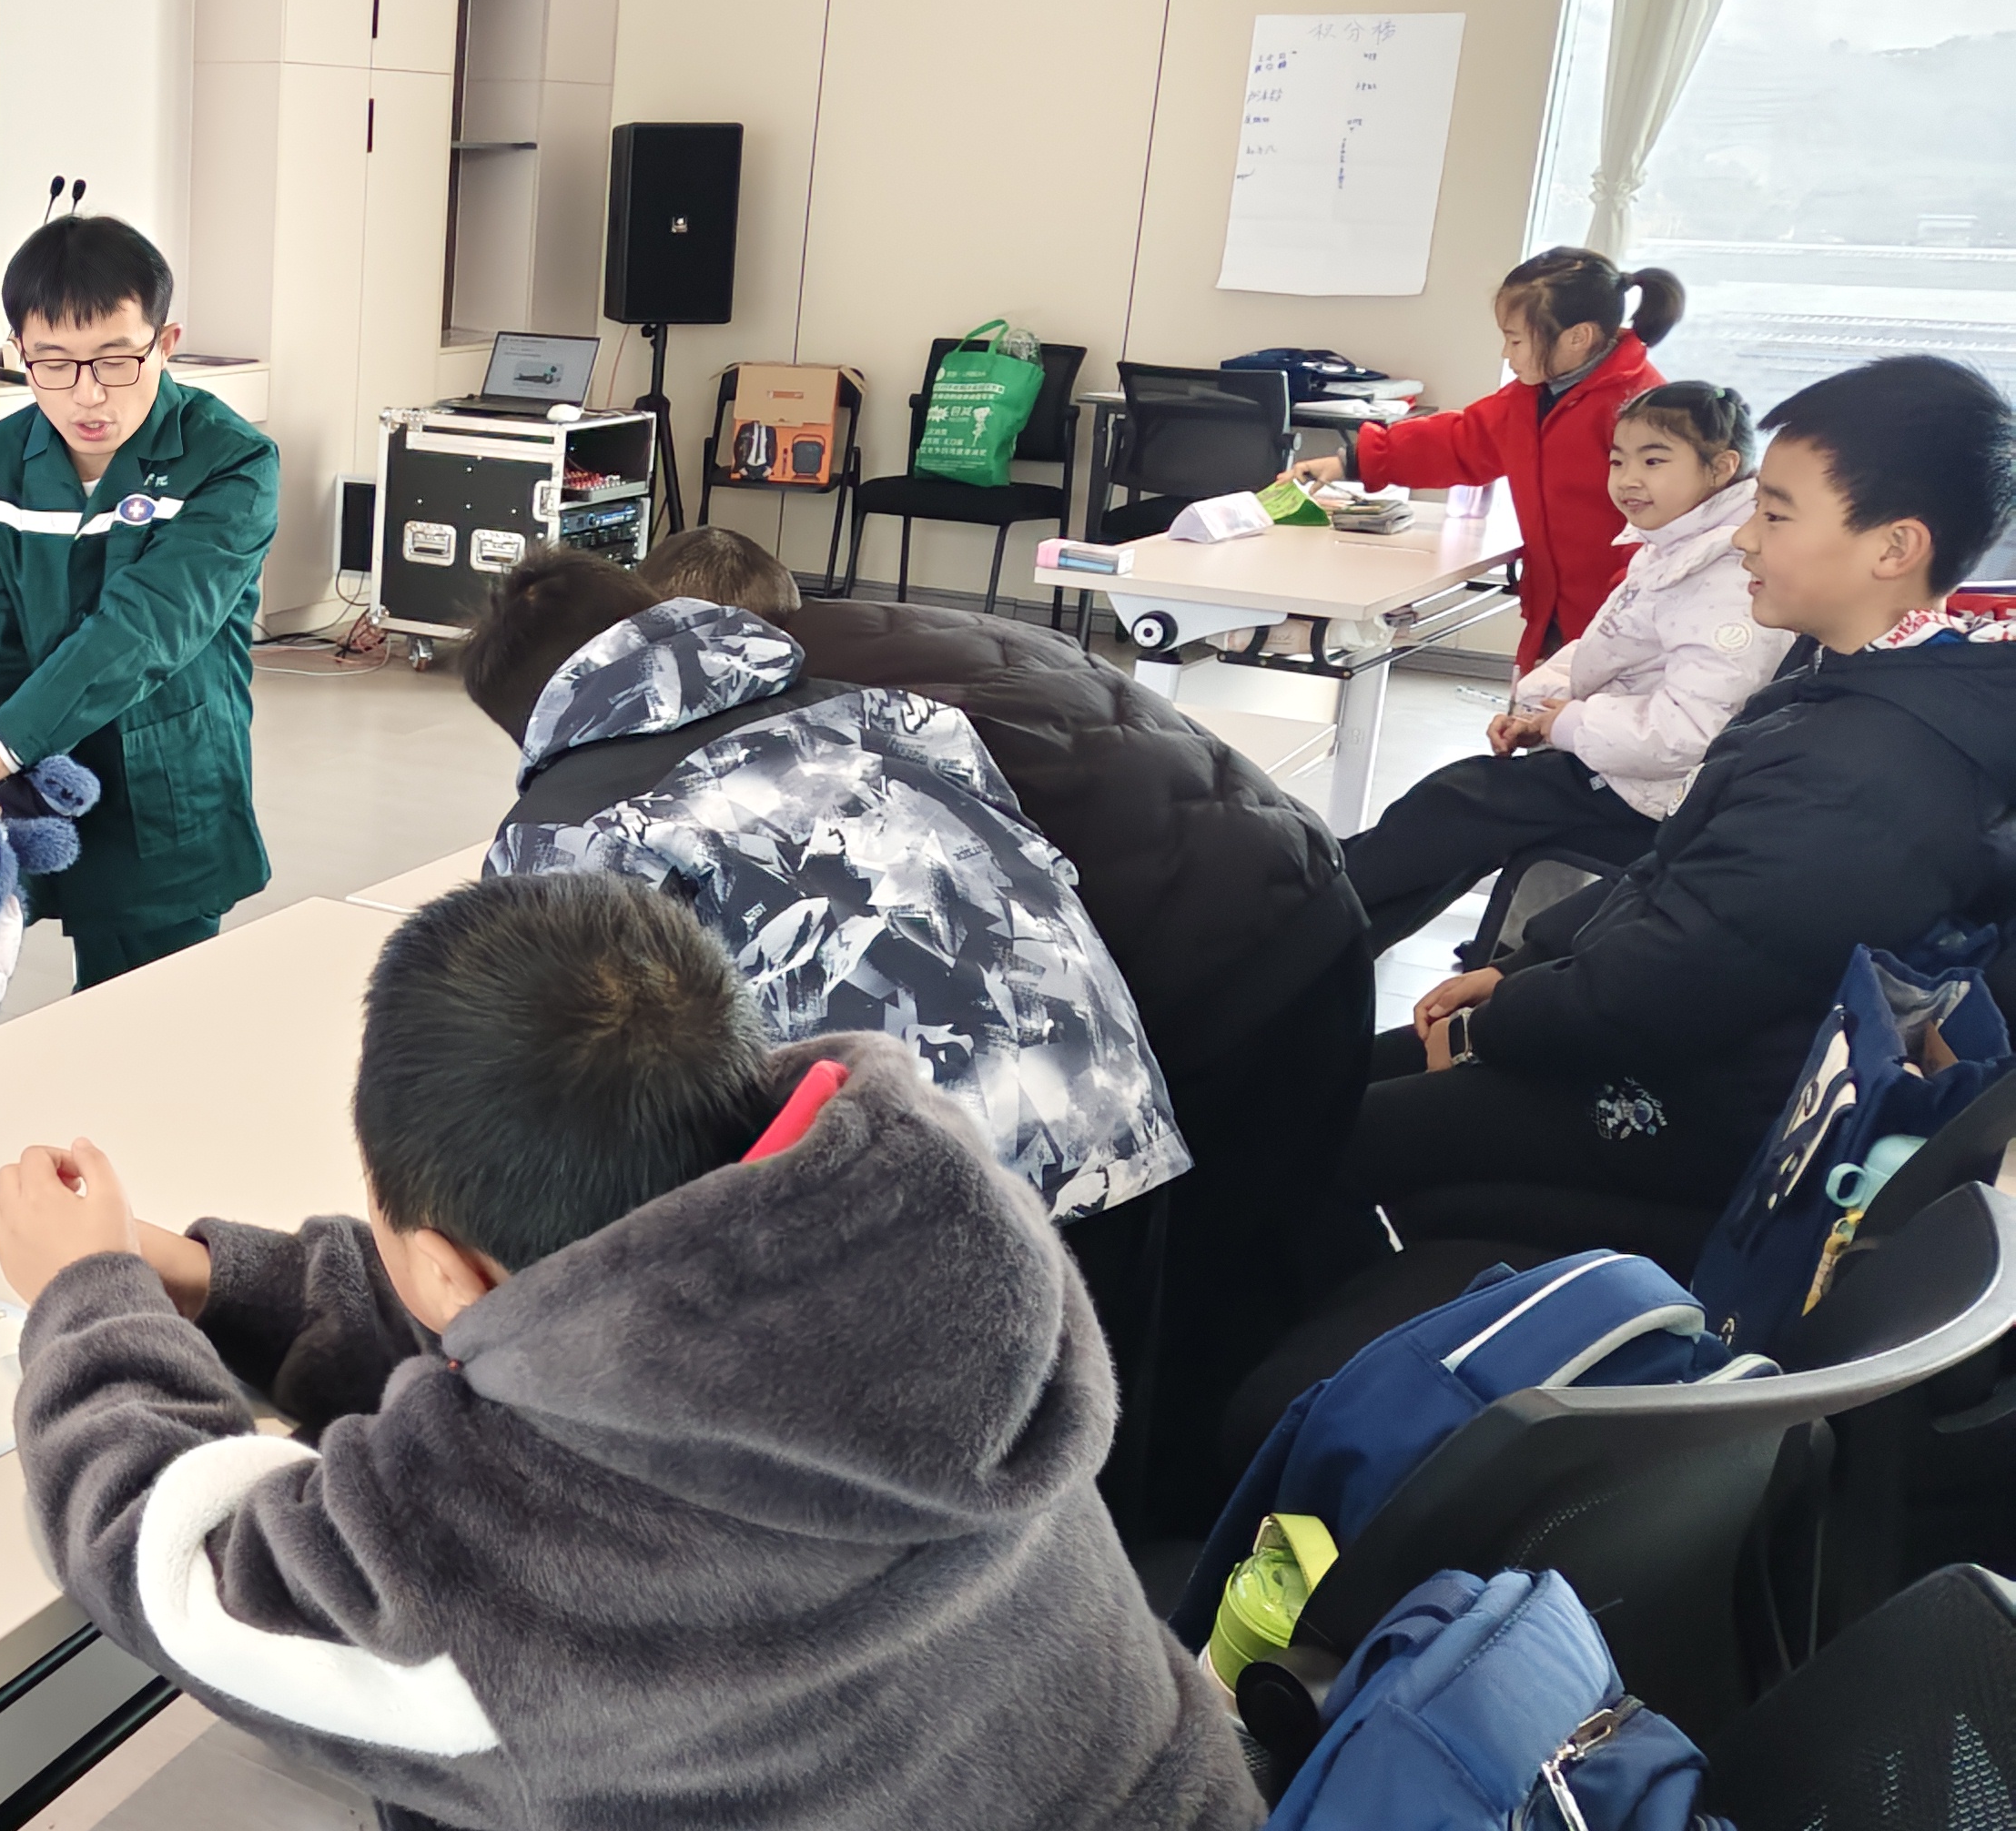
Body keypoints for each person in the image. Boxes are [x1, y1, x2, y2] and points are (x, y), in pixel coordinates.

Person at [0, 873, 1261, 1831]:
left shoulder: (544, 1553)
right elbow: (572, 1336)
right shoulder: (904, 1238)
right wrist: (207, 1279)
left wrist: (86, 1302)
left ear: (447, 1271)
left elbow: (178, 1565)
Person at [640, 523, 1372, 1518]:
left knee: (1142, 1329)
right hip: (1306, 895)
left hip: (1212, 967)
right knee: (1252, 1263)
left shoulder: (794, 723)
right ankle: (1256, 1492)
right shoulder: (895, 633)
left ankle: (1154, 1533)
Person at [1353, 355, 2016, 1228]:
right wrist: (1516, 971)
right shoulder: (1846, 674)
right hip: (1664, 1038)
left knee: (1321, 1132)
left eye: (1774, 514)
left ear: (1894, 548)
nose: (1744, 539)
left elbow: (1661, 991)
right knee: (1332, 1079)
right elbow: (1673, 879)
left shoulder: (1872, 774)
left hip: (1704, 1109)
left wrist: (1497, 1022)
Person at [460, 546, 1188, 1222]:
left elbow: (581, 1098)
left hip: (928, 1211)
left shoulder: (567, 833)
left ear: (531, 715)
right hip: (1121, 1124)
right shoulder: (892, 714)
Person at [0, 211, 276, 1089]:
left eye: (115, 360)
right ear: (19, 355)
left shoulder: (230, 463)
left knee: (138, 1058)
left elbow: (144, 629)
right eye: (54, 364)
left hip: (161, 783)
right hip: (9, 772)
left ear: (165, 342)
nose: (88, 395)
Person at [1344, 381, 1777, 955]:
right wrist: (1539, 713)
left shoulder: (1726, 573)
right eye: (1618, 461)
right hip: (1634, 767)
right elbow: (1609, 646)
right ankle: (1328, 932)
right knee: (1456, 816)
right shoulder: (1680, 543)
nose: (1628, 479)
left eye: (1653, 461)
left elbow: (1689, 733)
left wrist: (1564, 724)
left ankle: (1306, 909)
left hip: (1658, 796)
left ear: (1721, 468)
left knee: (1457, 804)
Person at [1290, 246, 1686, 671]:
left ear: (1578, 337)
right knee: (1538, 708)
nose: (1506, 353)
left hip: (1624, 624)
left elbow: (1659, 530)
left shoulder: (1639, 409)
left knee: (1581, 710)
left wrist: (1628, 613)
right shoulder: (1531, 397)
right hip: (1553, 613)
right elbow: (1460, 441)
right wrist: (1353, 461)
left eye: (1515, 340)